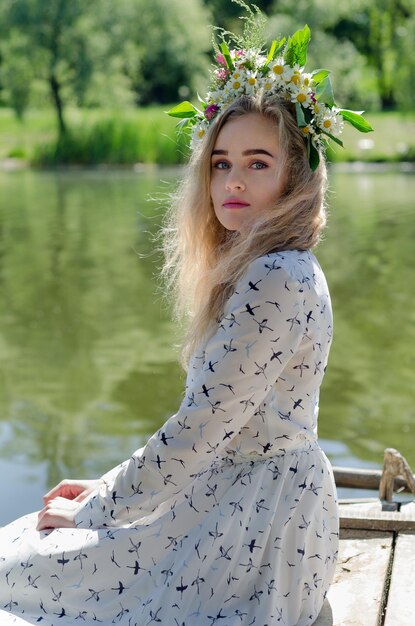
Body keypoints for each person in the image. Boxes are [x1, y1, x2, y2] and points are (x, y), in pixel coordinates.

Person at [0, 8, 372, 626]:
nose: (232, 180)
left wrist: (98, 511)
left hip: (257, 519)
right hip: (235, 495)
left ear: (296, 176)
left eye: (258, 162)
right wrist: (104, 489)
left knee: (21, 571)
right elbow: (208, 429)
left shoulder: (278, 276)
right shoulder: (268, 264)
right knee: (25, 554)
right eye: (221, 162)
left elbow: (202, 428)